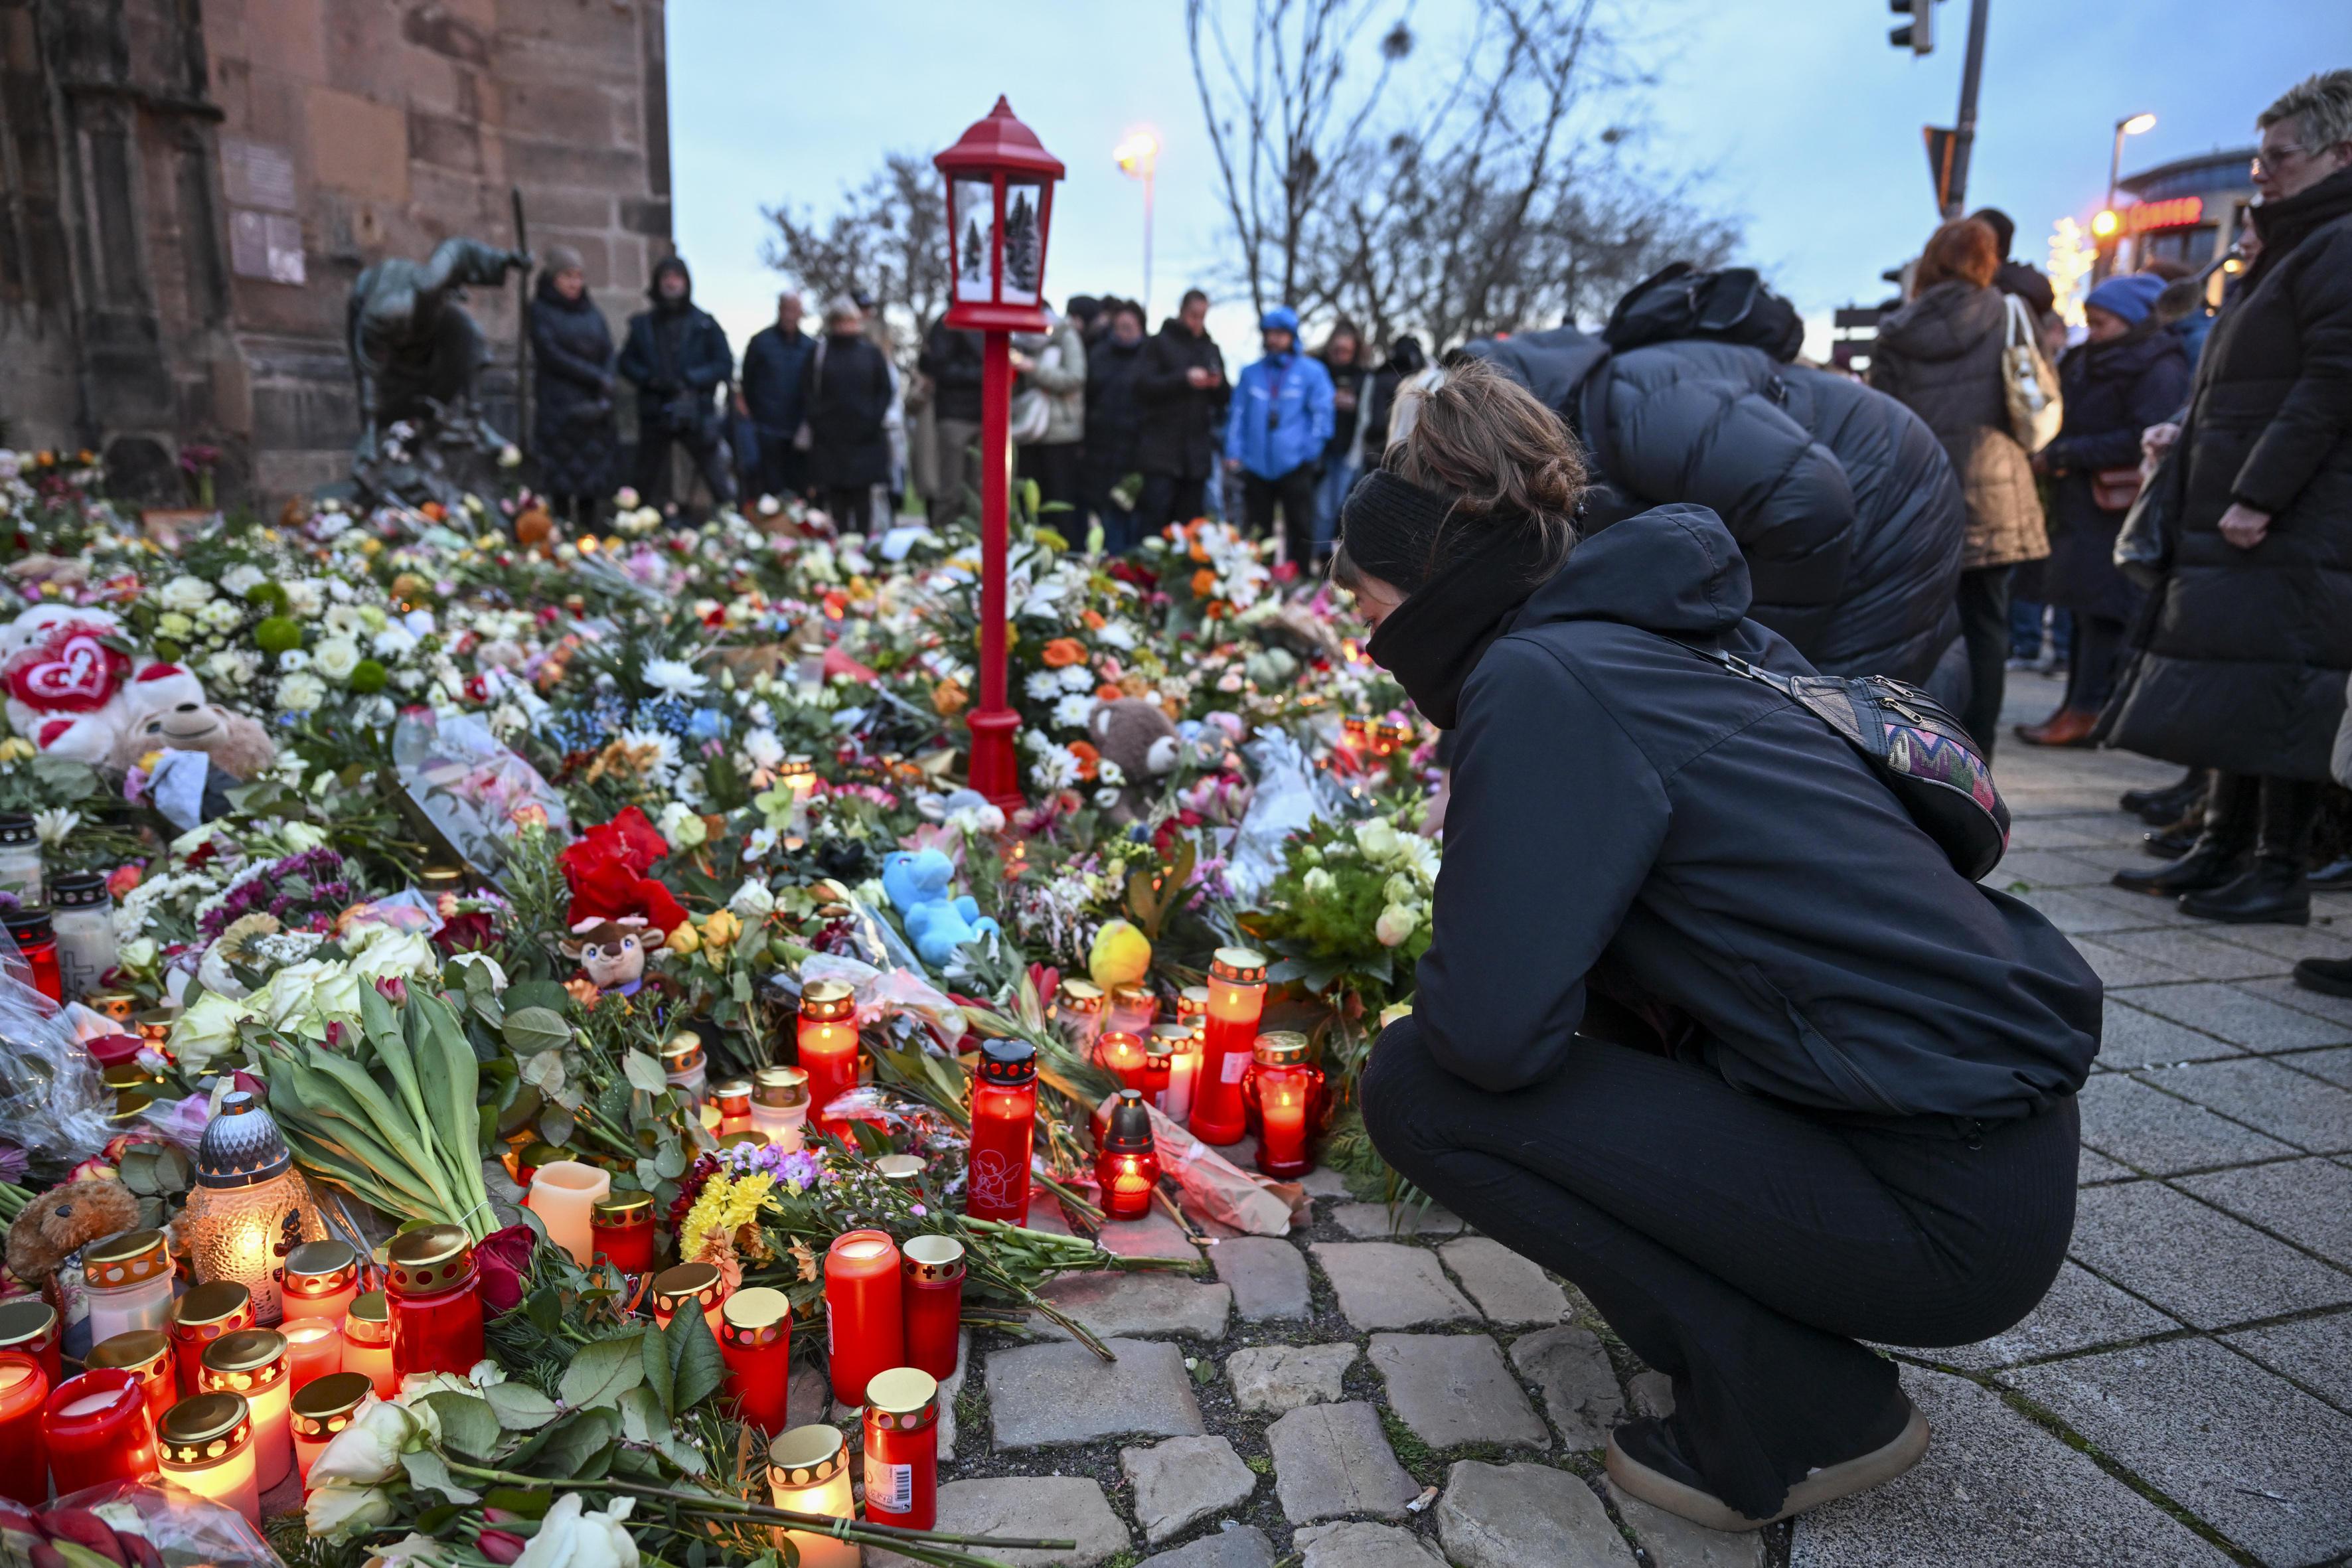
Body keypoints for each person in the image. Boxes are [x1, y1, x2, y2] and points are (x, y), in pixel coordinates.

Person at [1336, 358, 2097, 1535]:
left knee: (1420, 1088)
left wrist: (1488, 860)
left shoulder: (1543, 677)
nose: (1366, 641)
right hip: (1979, 1147)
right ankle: (1765, 1350)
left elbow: (1487, 1034)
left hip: (1940, 1205)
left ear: (1434, 587)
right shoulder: (1664, 635)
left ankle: (1800, 1408)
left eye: (1370, 608)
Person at [2104, 70, 2352, 926]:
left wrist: (2258, 491)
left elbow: (2332, 384)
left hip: (2299, 516)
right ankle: (2222, 846)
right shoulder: (2293, 245)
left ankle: (2276, 869)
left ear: (2340, 154)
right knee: (2243, 687)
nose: (2261, 172)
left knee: (2282, 688)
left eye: (2279, 156)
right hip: (2262, 510)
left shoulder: (2338, 243)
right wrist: (2187, 430)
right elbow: (2248, 379)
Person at [1465, 323, 1964, 685]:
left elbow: (1809, 501)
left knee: (1845, 728)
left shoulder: (1630, 402)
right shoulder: (1570, 424)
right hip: (1842, 502)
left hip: (1887, 490)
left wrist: (1761, 663)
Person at [1869, 218, 2049, 755]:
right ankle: (1981, 752)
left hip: (1923, 492)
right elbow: (2037, 396)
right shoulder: (2010, 313)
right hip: (1997, 490)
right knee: (1987, 626)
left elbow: (1884, 419)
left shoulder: (1897, 329)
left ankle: (1919, 746)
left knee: (1919, 625)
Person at [2015, 274, 2190, 747]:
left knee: (2104, 614)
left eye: (2101, 323)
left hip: (2113, 503)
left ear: (2131, 320)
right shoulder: (2088, 359)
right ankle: (2076, 707)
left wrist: (2065, 454)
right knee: (2081, 612)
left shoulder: (2157, 366)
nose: (2091, 331)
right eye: (2089, 322)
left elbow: (2144, 433)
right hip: (2082, 502)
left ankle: (2088, 710)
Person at [617, 254, 737, 512]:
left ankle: (734, 526)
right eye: (667, 278)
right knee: (644, 480)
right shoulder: (643, 325)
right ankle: (633, 527)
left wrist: (692, 379)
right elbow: (626, 362)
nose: (672, 283)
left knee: (718, 480)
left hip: (695, 411)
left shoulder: (705, 323)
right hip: (655, 410)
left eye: (677, 278)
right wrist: (650, 379)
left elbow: (723, 363)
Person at [1225, 305, 1334, 566]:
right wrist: (1233, 451)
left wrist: (1309, 451)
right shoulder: (1249, 373)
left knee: (1299, 524)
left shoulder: (1312, 371)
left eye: (1280, 334)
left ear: (1292, 336)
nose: (1273, 339)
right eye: (1269, 333)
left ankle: (1299, 578)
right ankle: (1258, 580)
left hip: (1296, 463)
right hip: (1256, 465)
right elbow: (1237, 414)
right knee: (1258, 529)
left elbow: (1323, 414)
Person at [526, 244, 617, 528]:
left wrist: (608, 379)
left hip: (593, 411)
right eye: (568, 276)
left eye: (579, 276)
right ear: (554, 278)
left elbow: (608, 349)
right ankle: (562, 532)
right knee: (560, 481)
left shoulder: (592, 313)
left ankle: (589, 535)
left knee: (590, 481)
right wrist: (595, 376)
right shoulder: (540, 310)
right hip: (560, 408)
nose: (575, 283)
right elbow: (551, 354)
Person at [799, 294, 894, 532]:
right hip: (830, 442)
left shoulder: (870, 353)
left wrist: (873, 418)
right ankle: (841, 549)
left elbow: (885, 390)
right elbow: (807, 392)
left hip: (865, 439)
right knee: (837, 501)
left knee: (863, 500)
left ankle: (863, 548)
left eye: (850, 321)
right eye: (840, 322)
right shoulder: (819, 353)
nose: (846, 326)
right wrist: (820, 421)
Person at [1136, 289, 1229, 530]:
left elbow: (1225, 398)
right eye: (1193, 315)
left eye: (1203, 316)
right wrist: (1183, 379)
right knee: (1156, 521)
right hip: (1161, 452)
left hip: (1196, 455)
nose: (1198, 322)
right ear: (1182, 311)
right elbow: (1143, 386)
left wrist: (1216, 384)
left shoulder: (1211, 348)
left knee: (1190, 526)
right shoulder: (1158, 344)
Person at [1083, 301, 1152, 554]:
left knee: (1132, 519)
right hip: (1100, 448)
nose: (1124, 333)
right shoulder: (1100, 354)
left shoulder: (1150, 356)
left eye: (1129, 327)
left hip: (1137, 451)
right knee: (1105, 519)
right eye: (1119, 327)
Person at [739, 291, 816, 503]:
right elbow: (747, 383)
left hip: (799, 430)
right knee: (769, 491)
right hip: (767, 429)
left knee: (798, 490)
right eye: (787, 309)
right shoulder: (760, 343)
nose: (791, 315)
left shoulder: (811, 347)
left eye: (795, 310)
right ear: (779, 310)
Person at [1016, 305, 1088, 518]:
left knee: (1061, 502)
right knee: (1030, 507)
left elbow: (1075, 378)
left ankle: (1065, 550)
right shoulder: (1019, 342)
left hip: (1060, 434)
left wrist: (1034, 368)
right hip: (1027, 432)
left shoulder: (1065, 335)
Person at [919, 314, 986, 524]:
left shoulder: (984, 321)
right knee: (952, 488)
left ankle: (975, 540)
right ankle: (945, 539)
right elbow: (938, 366)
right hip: (955, 413)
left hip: (986, 414)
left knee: (979, 488)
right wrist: (983, 372)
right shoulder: (949, 321)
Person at [1313, 321, 1372, 560]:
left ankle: (1330, 558)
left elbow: (1367, 415)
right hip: (1318, 449)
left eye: (1346, 351)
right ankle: (1319, 554)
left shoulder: (1363, 377)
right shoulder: (1319, 371)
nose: (1341, 356)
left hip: (1347, 450)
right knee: (1320, 507)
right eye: (1336, 350)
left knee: (1338, 506)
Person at [1360, 335, 1427, 467]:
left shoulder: (1381, 377)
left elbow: (1377, 420)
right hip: (1409, 452)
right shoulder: (1423, 380)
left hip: (1382, 448)